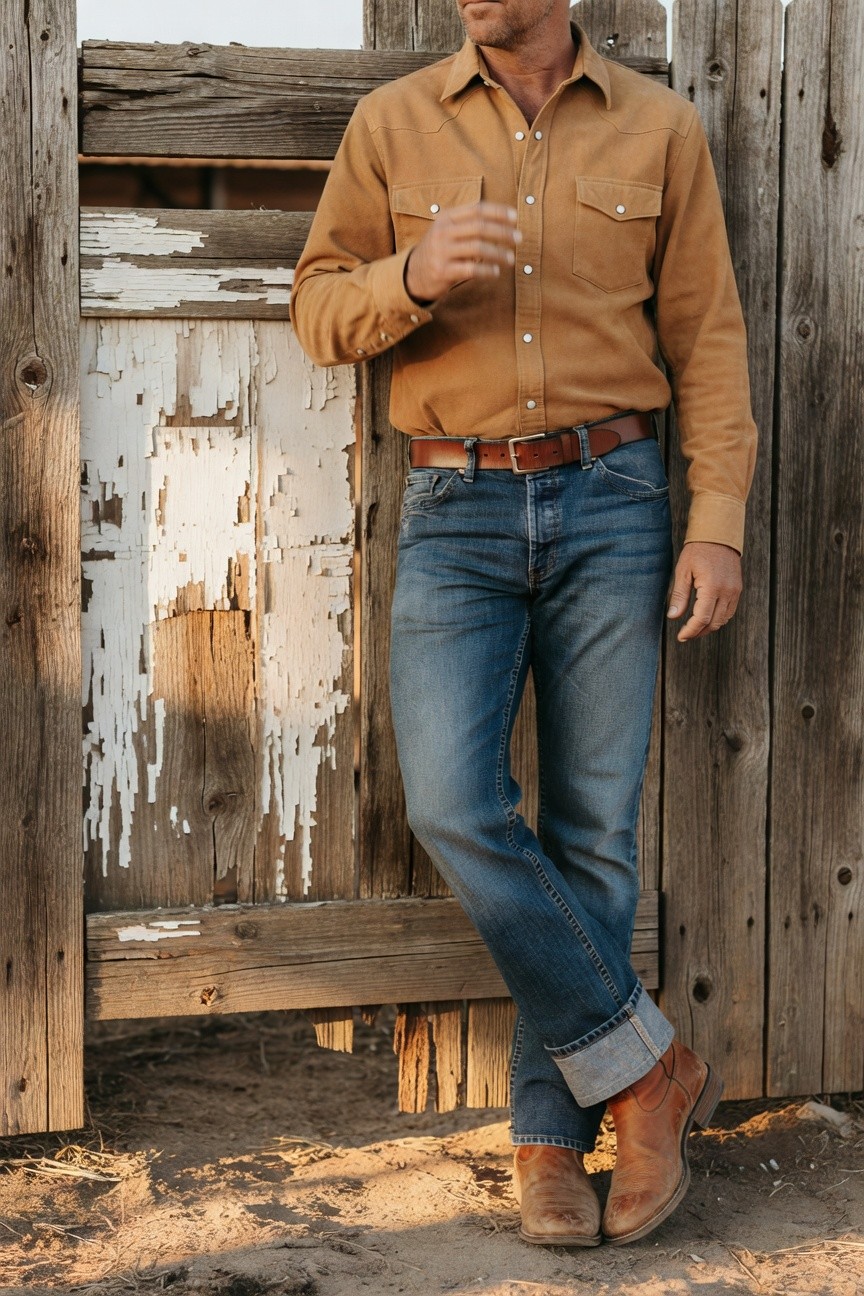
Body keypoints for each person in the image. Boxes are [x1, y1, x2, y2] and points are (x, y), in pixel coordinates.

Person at [290, 0, 756, 1249]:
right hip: (455, 502)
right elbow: (317, 308)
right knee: (451, 800)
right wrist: (409, 277)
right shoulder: (392, 125)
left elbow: (708, 335)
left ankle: (553, 1141)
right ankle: (650, 1070)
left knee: (595, 829)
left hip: (616, 499)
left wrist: (715, 519)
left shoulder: (661, 127)